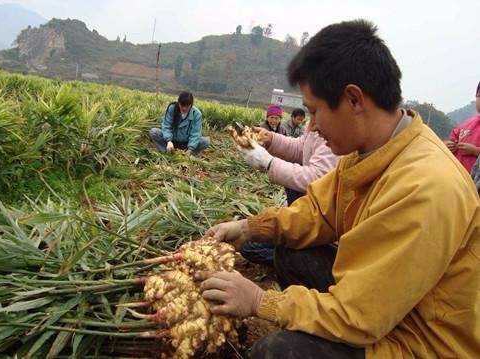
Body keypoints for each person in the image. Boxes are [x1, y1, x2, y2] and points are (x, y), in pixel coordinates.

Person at [196, 20, 480, 359]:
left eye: (315, 111)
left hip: (421, 339)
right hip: (388, 307)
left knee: (277, 353)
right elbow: (318, 211)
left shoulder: (425, 186)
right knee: (290, 250)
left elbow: (361, 315)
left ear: (354, 99)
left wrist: (261, 302)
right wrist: (250, 228)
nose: (312, 126)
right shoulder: (367, 151)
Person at [237, 116, 338, 266]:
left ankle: (290, 258)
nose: (312, 126)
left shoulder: (340, 134)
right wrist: (271, 139)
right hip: (312, 216)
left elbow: (319, 178)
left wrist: (269, 163)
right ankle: (288, 247)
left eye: (315, 110)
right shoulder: (320, 122)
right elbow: (301, 148)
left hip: (325, 227)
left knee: (269, 250)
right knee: (249, 245)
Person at [149, 92, 210, 156]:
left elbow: (195, 133)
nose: (184, 108)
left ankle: (187, 155)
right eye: (182, 105)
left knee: (205, 141)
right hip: (172, 141)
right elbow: (166, 126)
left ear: (191, 105)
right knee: (154, 132)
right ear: (178, 103)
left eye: (187, 106)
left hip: (186, 143)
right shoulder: (172, 108)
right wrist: (169, 141)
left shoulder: (196, 114)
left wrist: (190, 149)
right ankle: (167, 153)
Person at [444, 82, 480, 172]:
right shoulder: (468, 123)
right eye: (479, 96)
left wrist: (475, 151)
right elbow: (454, 137)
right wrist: (448, 146)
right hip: (458, 177)